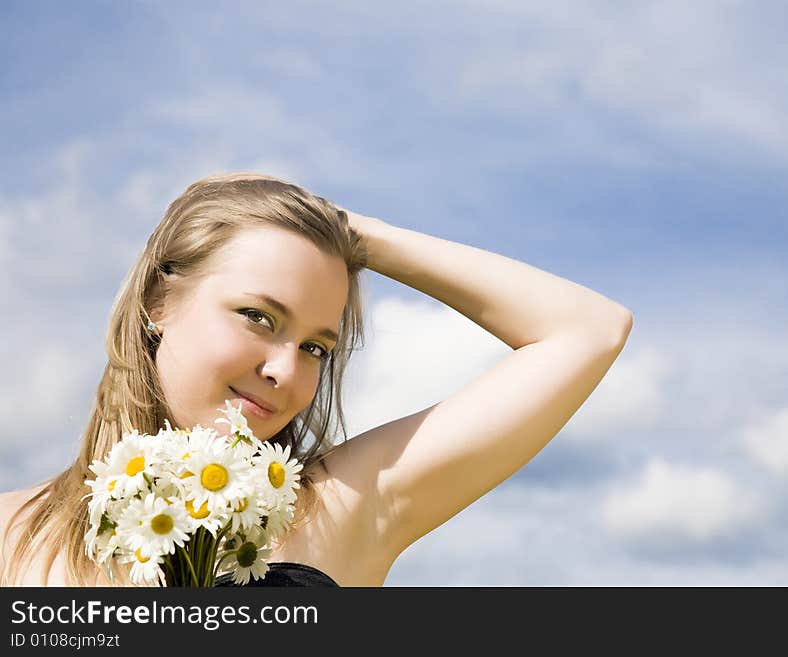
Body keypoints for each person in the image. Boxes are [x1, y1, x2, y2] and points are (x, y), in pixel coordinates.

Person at [0, 172, 633, 587]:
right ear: (158, 305)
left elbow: (589, 330)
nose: (284, 371)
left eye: (315, 347)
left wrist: (356, 234)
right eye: (258, 317)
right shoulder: (13, 534)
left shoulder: (348, 505)